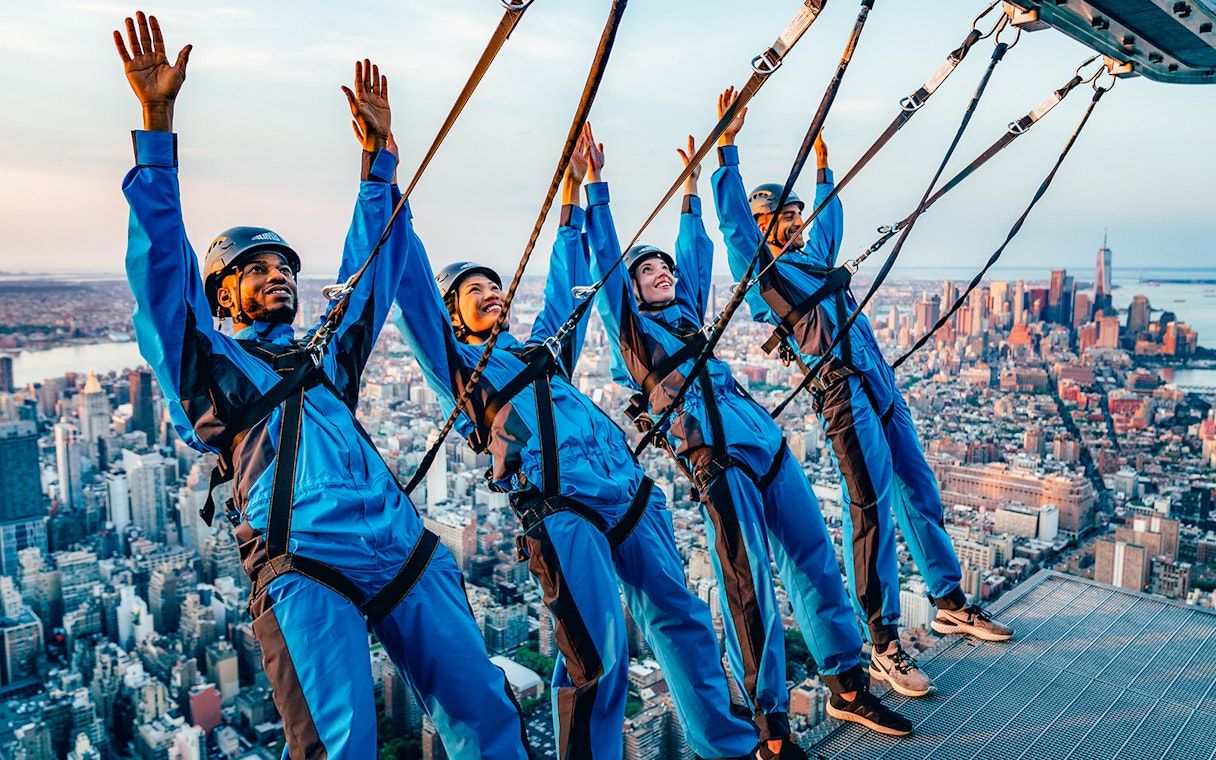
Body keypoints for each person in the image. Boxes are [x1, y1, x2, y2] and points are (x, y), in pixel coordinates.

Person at [116, 13, 529, 758]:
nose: (280, 276)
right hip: (303, 558)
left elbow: (370, 270)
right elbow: (163, 284)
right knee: (341, 748)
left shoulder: (324, 358)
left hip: (402, 547)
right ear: (224, 296)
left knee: (489, 713)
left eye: (287, 270)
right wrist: (157, 134)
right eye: (258, 270)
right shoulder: (215, 369)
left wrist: (379, 163)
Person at [391, 132, 761, 760]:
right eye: (474, 291)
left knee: (686, 620)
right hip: (560, 507)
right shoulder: (464, 373)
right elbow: (416, 304)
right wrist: (393, 201)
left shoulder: (543, 352)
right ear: (454, 315)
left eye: (495, 285)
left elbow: (566, 285)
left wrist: (577, 193)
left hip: (625, 491)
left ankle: (727, 745)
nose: (492, 293)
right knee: (600, 653)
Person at [578, 123, 912, 750]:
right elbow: (607, 267)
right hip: (718, 460)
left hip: (764, 443)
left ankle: (846, 685)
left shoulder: (688, 314)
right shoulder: (634, 336)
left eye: (663, 268)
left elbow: (697, 251)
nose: (661, 273)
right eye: (647, 270)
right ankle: (772, 731)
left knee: (813, 559)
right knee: (750, 585)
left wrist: (690, 189)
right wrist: (597, 190)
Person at [709, 87, 1014, 699]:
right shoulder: (765, 276)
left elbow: (832, 224)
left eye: (798, 216)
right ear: (765, 225)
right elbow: (737, 232)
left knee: (918, 487)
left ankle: (948, 597)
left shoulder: (814, 261)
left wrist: (825, 170)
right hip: (843, 395)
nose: (796, 225)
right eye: (784, 218)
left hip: (879, 380)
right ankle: (884, 643)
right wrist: (727, 152)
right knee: (871, 510)